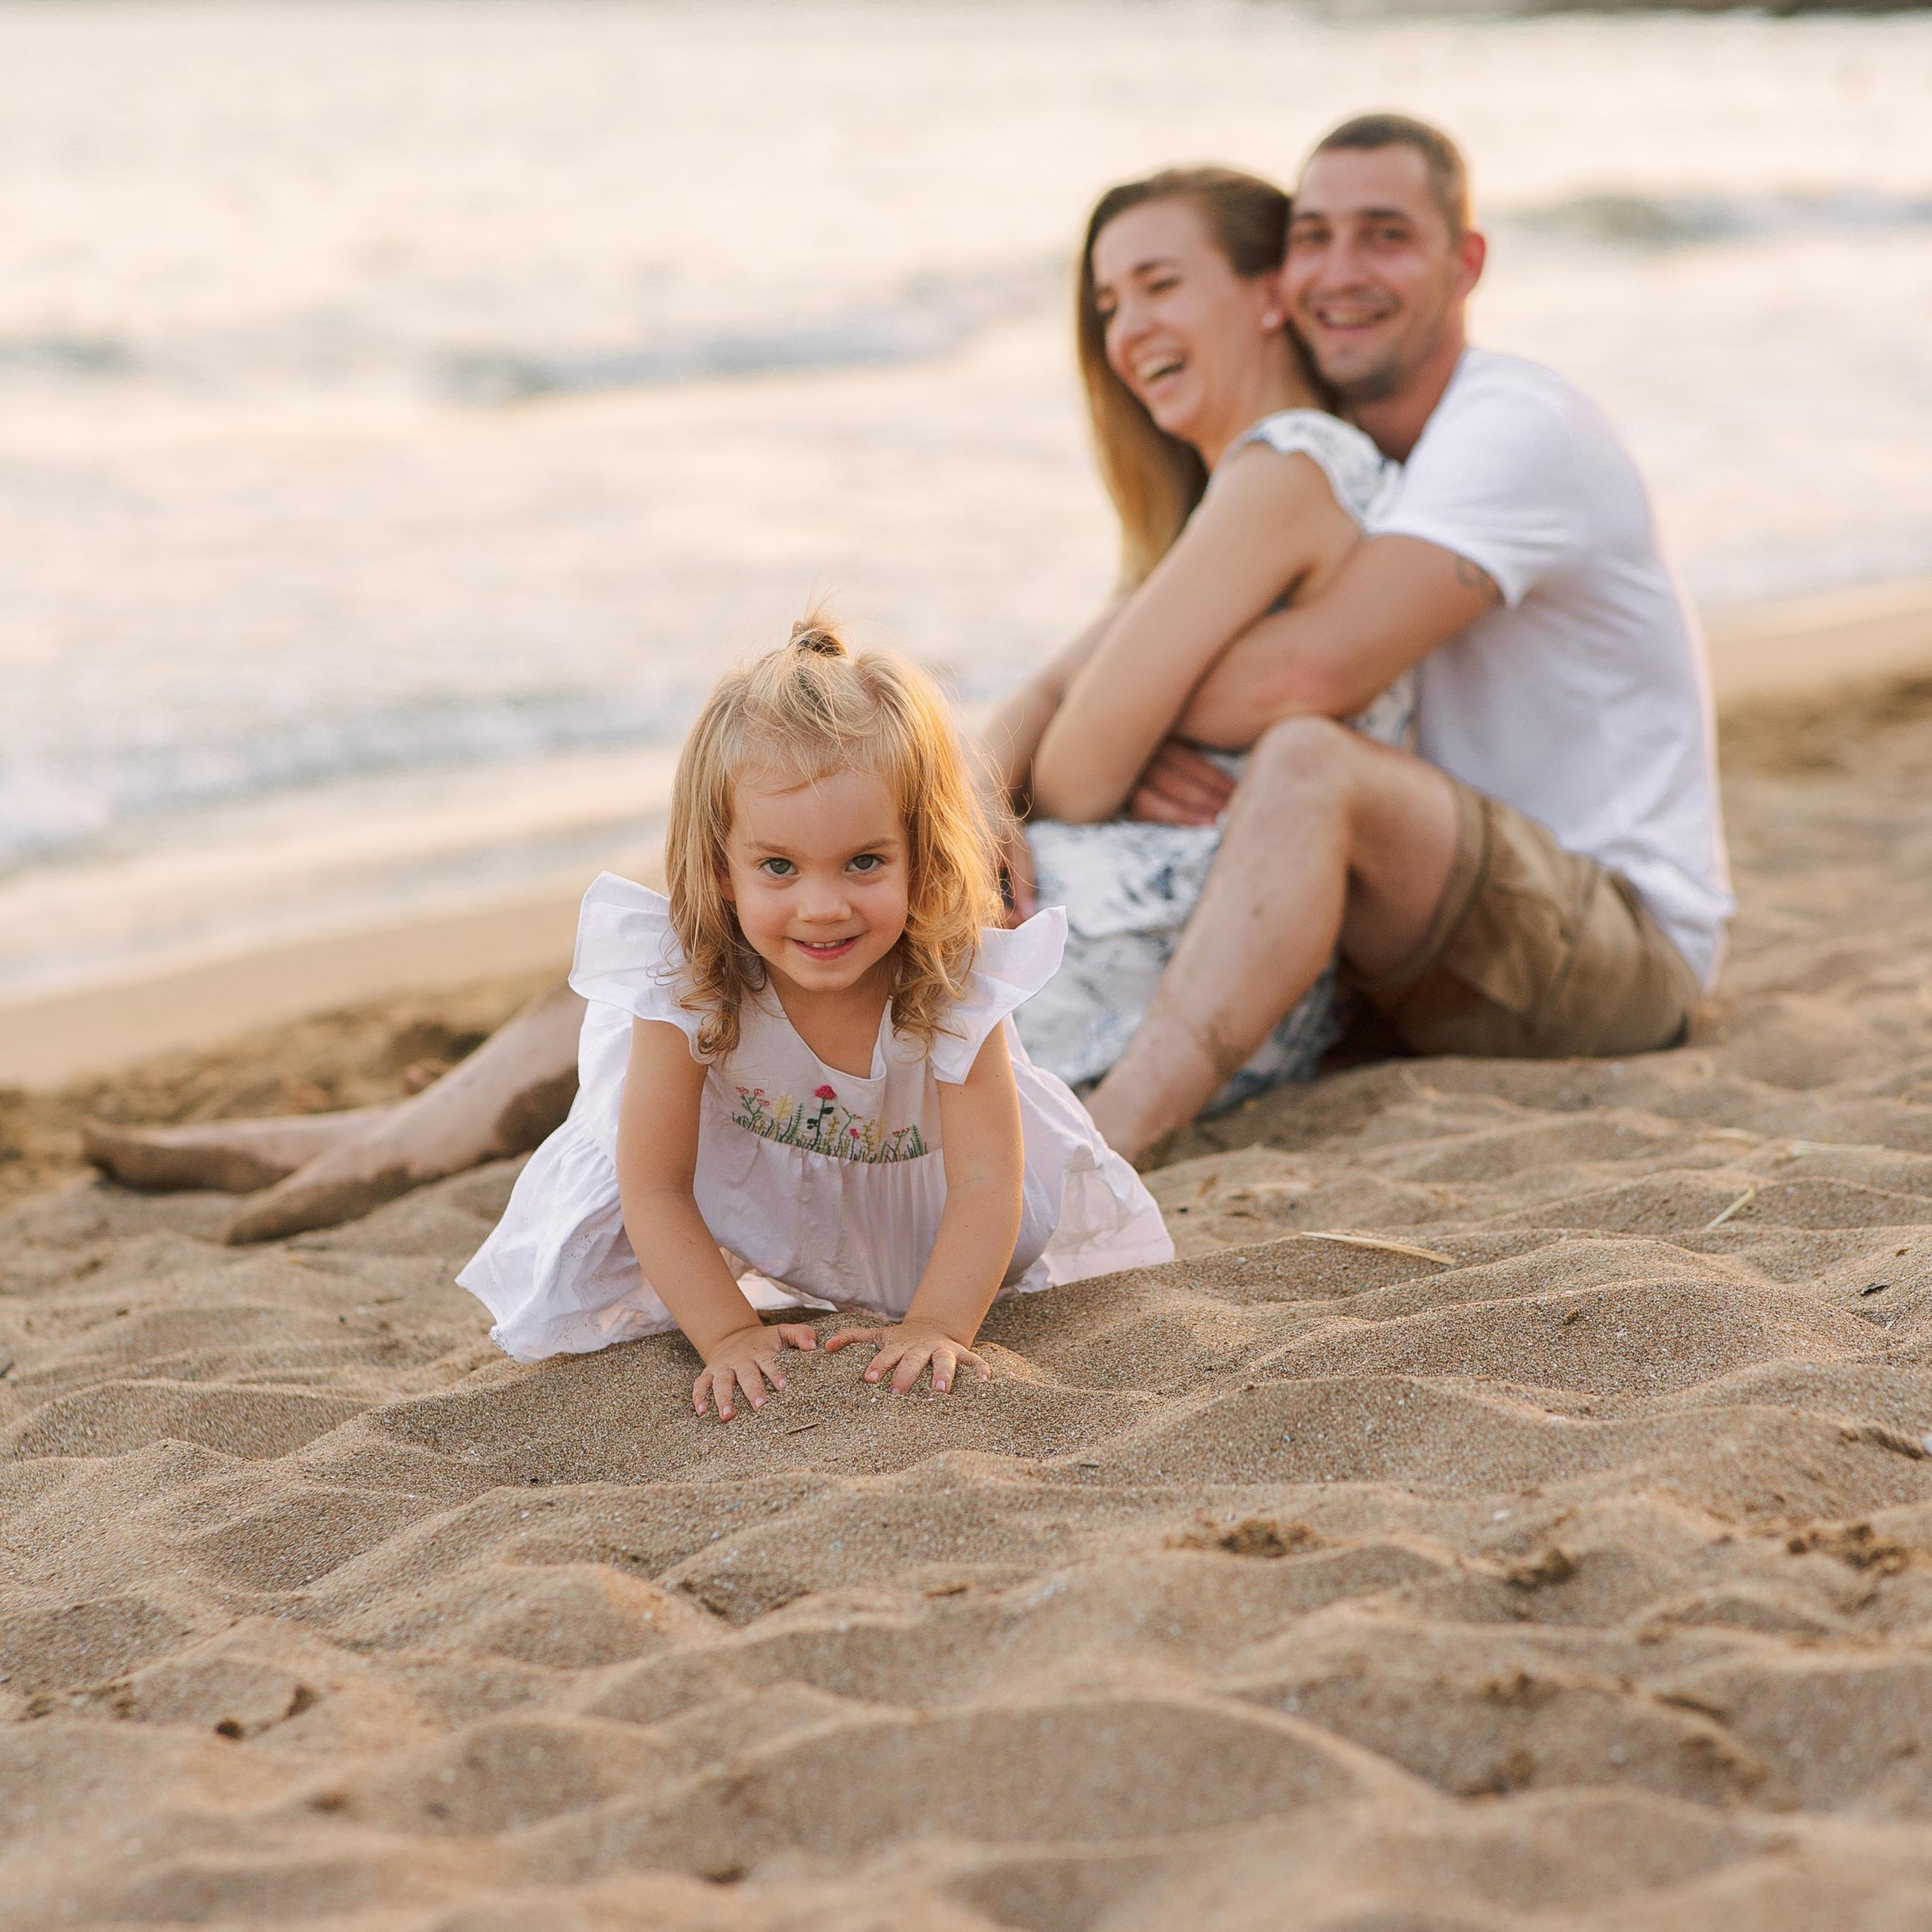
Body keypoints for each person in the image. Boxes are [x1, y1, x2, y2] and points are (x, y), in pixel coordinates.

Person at [1066, 113, 1733, 1161]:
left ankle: (1111, 1138)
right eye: (1315, 236)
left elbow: (1306, 672)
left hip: (1616, 944)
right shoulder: (1339, 461)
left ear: (1465, 262)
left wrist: (1126, 710)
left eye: (1385, 235)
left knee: (1309, 760)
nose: (1340, 271)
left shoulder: (1511, 428)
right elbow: (1161, 649)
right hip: (1429, 923)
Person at [457, 620, 1171, 1420]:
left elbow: (985, 1181)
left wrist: (936, 1323)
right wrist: (729, 1333)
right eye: (779, 867)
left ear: (919, 854)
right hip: (759, 1208)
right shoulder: (688, 982)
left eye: (865, 862)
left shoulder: (947, 980)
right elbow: (652, 1186)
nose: (823, 906)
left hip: (935, 1225)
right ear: (721, 865)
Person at [983, 165, 1413, 1103]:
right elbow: (1046, 698)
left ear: (1271, 294)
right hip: (1162, 936)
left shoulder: (1288, 466)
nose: (1126, 331)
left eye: (1160, 285)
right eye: (1107, 303)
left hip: (1178, 952)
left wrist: (1106, 757)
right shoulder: (1236, 499)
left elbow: (1078, 770)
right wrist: (984, 801)